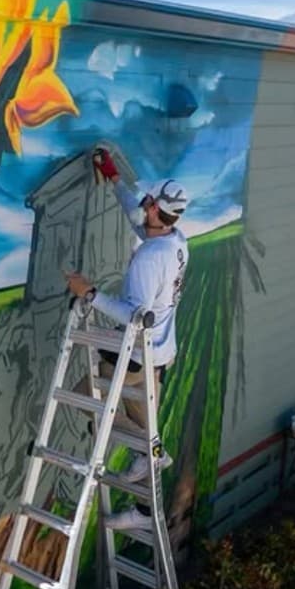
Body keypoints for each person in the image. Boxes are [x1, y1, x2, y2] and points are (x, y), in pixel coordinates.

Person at [65, 147, 189, 527]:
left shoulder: (149, 259)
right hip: (161, 351)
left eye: (148, 201)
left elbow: (134, 315)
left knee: (87, 397)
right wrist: (113, 175)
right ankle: (147, 508)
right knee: (146, 427)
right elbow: (136, 215)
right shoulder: (176, 237)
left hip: (138, 350)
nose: (144, 203)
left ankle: (149, 453)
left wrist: (88, 292)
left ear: (155, 210)